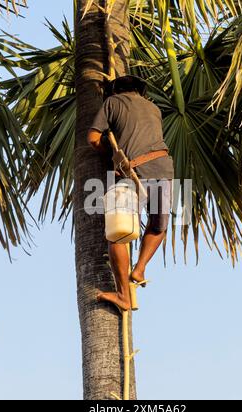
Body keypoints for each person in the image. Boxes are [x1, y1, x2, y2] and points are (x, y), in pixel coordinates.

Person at [87, 75, 174, 311]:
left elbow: (93, 138)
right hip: (164, 168)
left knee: (117, 232)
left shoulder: (112, 103)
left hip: (132, 170)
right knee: (158, 226)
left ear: (116, 91)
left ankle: (123, 295)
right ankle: (141, 267)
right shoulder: (154, 108)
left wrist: (112, 155)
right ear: (140, 91)